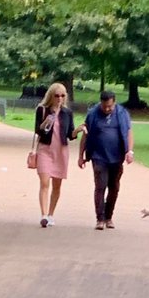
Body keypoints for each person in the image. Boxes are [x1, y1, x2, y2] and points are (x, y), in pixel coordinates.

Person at [78, 90, 134, 230]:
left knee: (114, 188)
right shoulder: (93, 114)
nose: (107, 109)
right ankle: (100, 218)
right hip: (98, 156)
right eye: (104, 106)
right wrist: (81, 156)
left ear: (114, 102)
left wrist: (130, 151)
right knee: (100, 186)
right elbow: (85, 136)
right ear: (100, 103)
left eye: (109, 106)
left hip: (117, 157)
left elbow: (128, 133)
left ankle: (109, 217)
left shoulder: (122, 114)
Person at [31, 82, 84, 228]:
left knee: (57, 185)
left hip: (61, 152)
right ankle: (43, 215)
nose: (60, 98)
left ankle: (51, 214)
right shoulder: (42, 110)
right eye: (57, 95)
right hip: (45, 150)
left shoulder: (67, 113)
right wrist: (45, 122)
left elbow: (69, 135)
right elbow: (38, 131)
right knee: (44, 182)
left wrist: (77, 131)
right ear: (51, 96)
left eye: (62, 95)